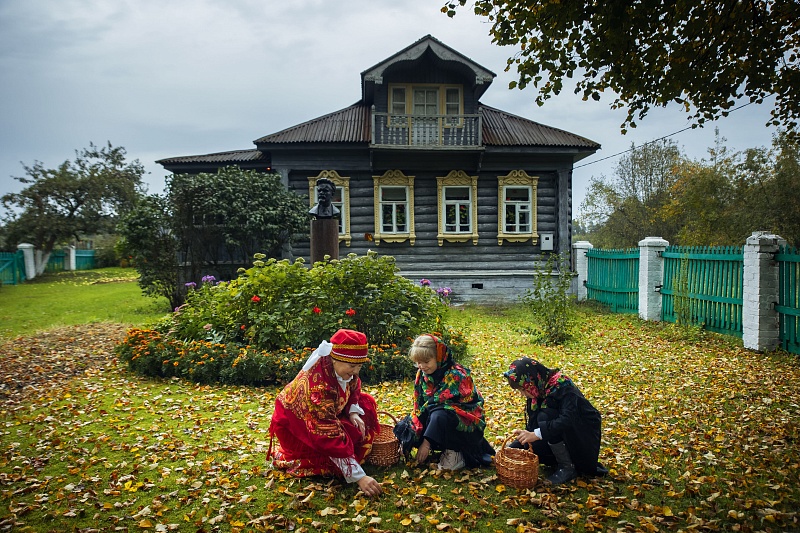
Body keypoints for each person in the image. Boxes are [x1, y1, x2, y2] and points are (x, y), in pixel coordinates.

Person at [268, 328, 382, 497]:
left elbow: (354, 386)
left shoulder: (343, 369)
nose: (356, 371)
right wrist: (360, 477)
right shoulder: (318, 389)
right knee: (335, 444)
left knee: (365, 407)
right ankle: (346, 461)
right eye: (352, 366)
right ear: (335, 359)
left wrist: (353, 413)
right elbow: (326, 434)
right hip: (296, 427)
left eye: (359, 366)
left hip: (324, 416)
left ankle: (348, 454)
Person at [503, 357, 607, 485]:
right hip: (560, 432)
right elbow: (534, 426)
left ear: (532, 380)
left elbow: (567, 419)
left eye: (523, 389)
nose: (523, 394)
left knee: (545, 416)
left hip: (581, 433)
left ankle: (568, 467)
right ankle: (558, 460)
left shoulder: (563, 386)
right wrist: (512, 447)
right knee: (536, 434)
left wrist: (536, 434)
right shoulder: (539, 388)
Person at [399, 334, 495, 470]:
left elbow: (440, 407)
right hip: (437, 416)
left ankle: (455, 451)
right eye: (418, 362)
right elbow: (421, 405)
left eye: (426, 361)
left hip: (466, 422)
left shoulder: (456, 374)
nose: (422, 366)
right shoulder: (423, 374)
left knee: (439, 415)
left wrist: (426, 444)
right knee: (418, 420)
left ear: (438, 356)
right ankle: (440, 447)